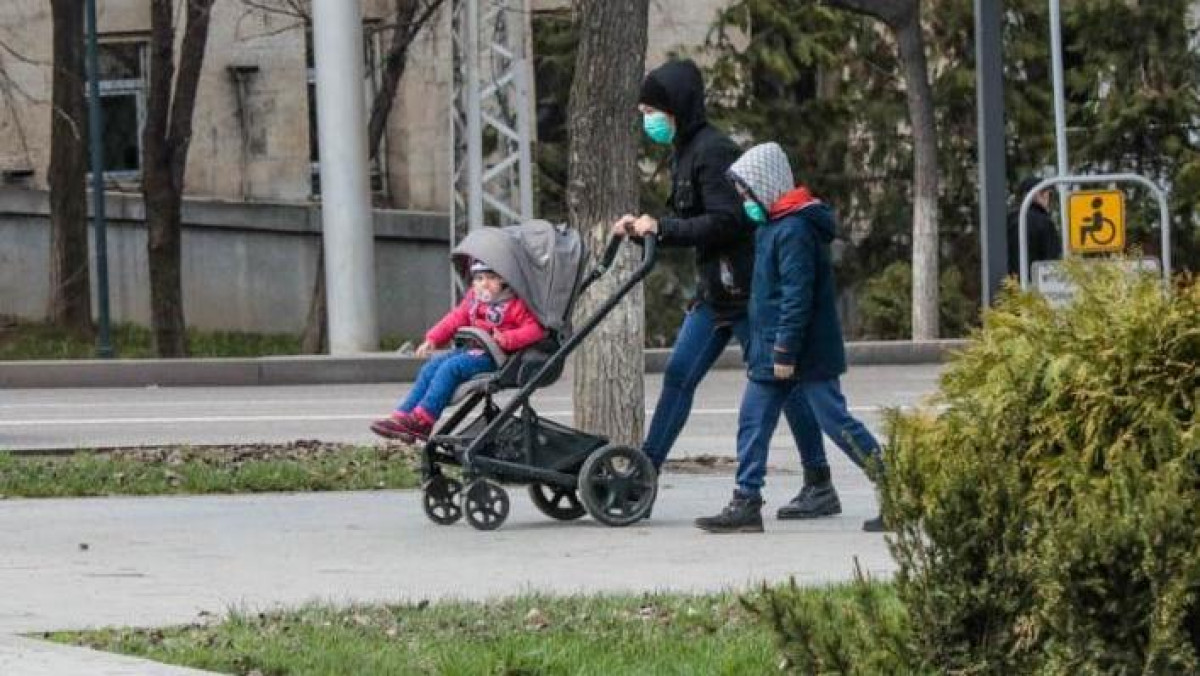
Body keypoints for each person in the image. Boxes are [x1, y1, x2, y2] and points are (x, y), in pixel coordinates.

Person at [613, 58, 845, 521]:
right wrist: (644, 230)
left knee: (784, 384)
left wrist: (664, 227)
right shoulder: (683, 151)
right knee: (679, 376)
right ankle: (643, 477)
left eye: (651, 111)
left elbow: (726, 220)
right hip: (714, 292)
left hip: (746, 292)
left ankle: (818, 481)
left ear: (676, 107)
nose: (647, 120)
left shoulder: (713, 151)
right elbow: (692, 219)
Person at [695, 142, 885, 534]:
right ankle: (746, 501)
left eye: (746, 191)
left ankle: (897, 486)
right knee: (752, 420)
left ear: (765, 185)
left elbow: (796, 297)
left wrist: (785, 349)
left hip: (803, 350)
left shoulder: (795, 229)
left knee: (836, 421)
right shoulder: (771, 225)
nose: (743, 200)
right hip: (770, 348)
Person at [370, 261, 546, 443]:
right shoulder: (473, 299)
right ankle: (402, 416)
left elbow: (535, 330)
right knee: (430, 368)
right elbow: (455, 319)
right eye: (479, 279)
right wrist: (433, 338)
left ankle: (423, 420)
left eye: (492, 278)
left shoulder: (514, 303)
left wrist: (508, 338)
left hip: (494, 355)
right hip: (472, 348)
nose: (485, 284)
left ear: (504, 280)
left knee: (451, 368)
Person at [1006, 176, 1061, 278]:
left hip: (1009, 283)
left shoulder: (1008, 220)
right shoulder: (1044, 222)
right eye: (1048, 194)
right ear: (1037, 194)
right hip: (1036, 283)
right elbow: (1052, 261)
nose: (1049, 200)